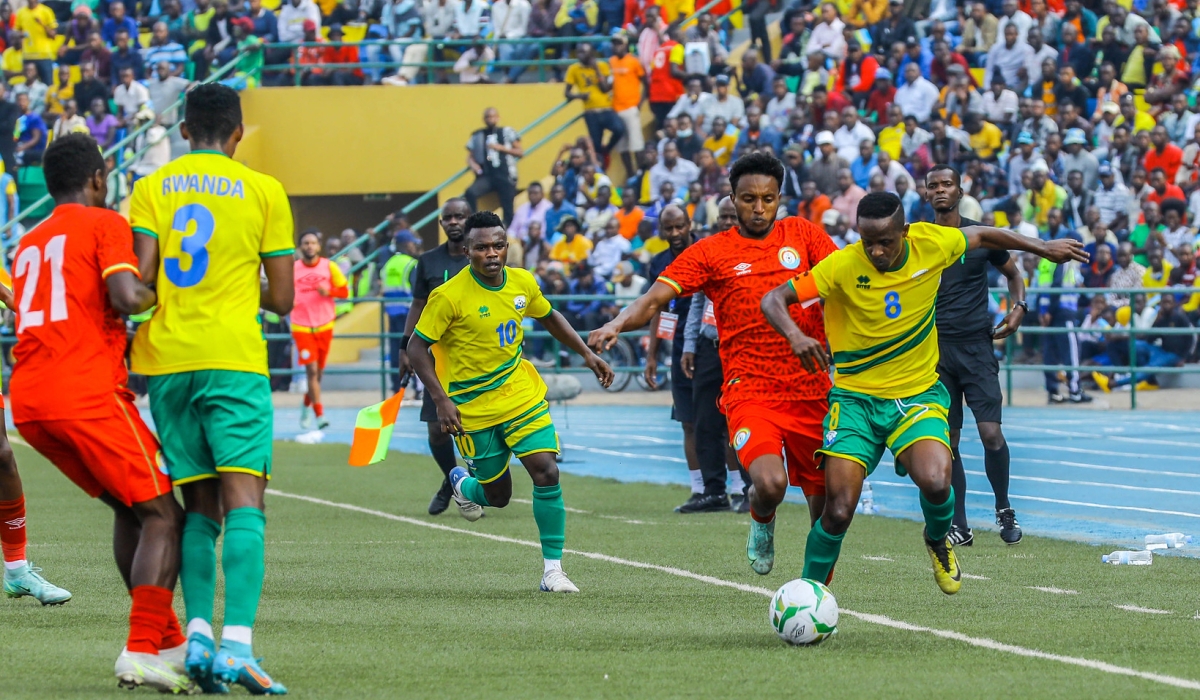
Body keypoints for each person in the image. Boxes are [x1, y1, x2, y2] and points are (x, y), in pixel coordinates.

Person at [759, 191, 1087, 593]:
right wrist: (794, 335)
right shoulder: (842, 265)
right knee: (839, 510)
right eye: (868, 242)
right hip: (855, 402)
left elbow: (984, 235)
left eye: (885, 241)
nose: (876, 251)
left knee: (935, 481)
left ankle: (937, 541)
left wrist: (1043, 248)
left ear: (905, 232)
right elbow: (774, 298)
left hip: (916, 396)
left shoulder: (932, 243)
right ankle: (810, 593)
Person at [589, 153, 840, 577]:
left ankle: (816, 593)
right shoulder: (711, 252)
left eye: (767, 199)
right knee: (770, 484)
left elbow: (843, 281)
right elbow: (653, 300)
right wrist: (616, 323)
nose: (758, 208)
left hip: (811, 390)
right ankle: (762, 521)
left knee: (825, 507)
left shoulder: (804, 234)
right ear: (732, 199)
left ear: (780, 198)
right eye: (748, 199)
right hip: (750, 389)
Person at [128, 84, 294, 695]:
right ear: (238, 133)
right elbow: (282, 299)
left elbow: (141, 281)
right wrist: (231, 287)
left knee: (197, 507)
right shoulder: (263, 190)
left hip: (167, 362)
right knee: (245, 498)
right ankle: (237, 648)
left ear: (184, 131)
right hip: (232, 359)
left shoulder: (150, 187)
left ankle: (196, 633)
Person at [9, 133, 182, 689]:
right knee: (164, 515)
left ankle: (171, 642)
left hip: (30, 402)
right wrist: (173, 292)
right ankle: (140, 648)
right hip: (83, 389)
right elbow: (127, 298)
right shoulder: (106, 223)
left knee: (133, 510)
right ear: (99, 180)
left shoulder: (28, 240)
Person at [409, 211, 614, 593]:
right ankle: (461, 483)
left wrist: (587, 354)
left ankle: (553, 570)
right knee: (497, 497)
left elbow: (550, 317)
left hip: (521, 395)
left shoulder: (522, 282)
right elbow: (416, 346)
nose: (492, 253)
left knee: (546, 472)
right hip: (472, 407)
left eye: (498, 245)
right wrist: (440, 400)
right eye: (482, 247)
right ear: (467, 250)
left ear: (507, 247)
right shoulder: (448, 296)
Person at [925, 165, 1025, 547]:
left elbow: (1013, 274)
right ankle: (960, 526)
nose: (939, 190)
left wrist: (1019, 309)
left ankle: (1003, 508)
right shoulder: (920, 240)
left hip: (977, 347)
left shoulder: (980, 236)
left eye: (946, 184)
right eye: (933, 185)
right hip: (935, 352)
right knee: (948, 441)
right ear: (926, 193)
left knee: (991, 434)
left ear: (959, 189)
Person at [400, 198, 473, 517]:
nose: (454, 221)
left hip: (475, 355)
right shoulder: (427, 261)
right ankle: (452, 480)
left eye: (460, 216)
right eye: (448, 217)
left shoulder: (481, 258)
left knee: (478, 429)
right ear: (441, 224)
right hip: (436, 357)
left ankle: (461, 486)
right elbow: (417, 305)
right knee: (436, 430)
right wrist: (405, 347)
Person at [679, 197, 750, 513]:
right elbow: (696, 304)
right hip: (709, 349)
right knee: (706, 421)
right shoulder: (709, 251)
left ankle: (752, 489)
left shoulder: (756, 251)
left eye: (732, 216)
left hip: (744, 349)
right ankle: (714, 491)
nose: (726, 222)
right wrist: (689, 346)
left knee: (746, 421)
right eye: (723, 216)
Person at [641, 204, 702, 509]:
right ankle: (699, 488)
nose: (675, 233)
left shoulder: (705, 251)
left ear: (690, 224)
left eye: (680, 227)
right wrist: (652, 355)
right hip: (678, 349)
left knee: (721, 423)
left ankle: (736, 488)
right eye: (669, 228)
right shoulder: (658, 263)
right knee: (687, 422)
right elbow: (658, 309)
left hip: (710, 346)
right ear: (661, 231)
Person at [292, 229, 350, 433]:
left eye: (313, 243)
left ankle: (306, 404)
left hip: (324, 324)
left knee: (318, 375)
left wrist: (330, 292)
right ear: (300, 247)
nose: (309, 246)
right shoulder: (294, 269)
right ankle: (319, 414)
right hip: (301, 326)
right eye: (305, 243)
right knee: (311, 371)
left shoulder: (329, 266)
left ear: (318, 246)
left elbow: (344, 291)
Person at [565, 43, 624, 160]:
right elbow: (567, 93)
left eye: (583, 52)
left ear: (591, 54)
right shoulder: (574, 69)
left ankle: (607, 149)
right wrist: (580, 96)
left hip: (606, 109)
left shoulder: (602, 66)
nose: (580, 55)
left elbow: (605, 88)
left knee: (619, 129)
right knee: (596, 144)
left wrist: (596, 69)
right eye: (578, 52)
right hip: (591, 113)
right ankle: (601, 165)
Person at [464, 108, 522, 226]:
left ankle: (508, 230)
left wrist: (501, 148)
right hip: (486, 176)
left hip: (505, 175)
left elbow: (520, 152)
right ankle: (474, 223)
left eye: (493, 116)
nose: (491, 119)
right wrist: (474, 165)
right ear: (484, 119)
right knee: (470, 192)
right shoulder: (478, 135)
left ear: (498, 117)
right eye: (488, 117)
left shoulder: (507, 132)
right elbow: (470, 156)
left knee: (508, 206)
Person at [381, 231, 420, 393]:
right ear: (405, 244)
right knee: (414, 349)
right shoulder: (411, 263)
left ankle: (396, 387)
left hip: (391, 312)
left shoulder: (388, 264)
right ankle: (417, 389)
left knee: (396, 349)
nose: (414, 246)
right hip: (408, 312)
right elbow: (418, 289)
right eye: (412, 243)